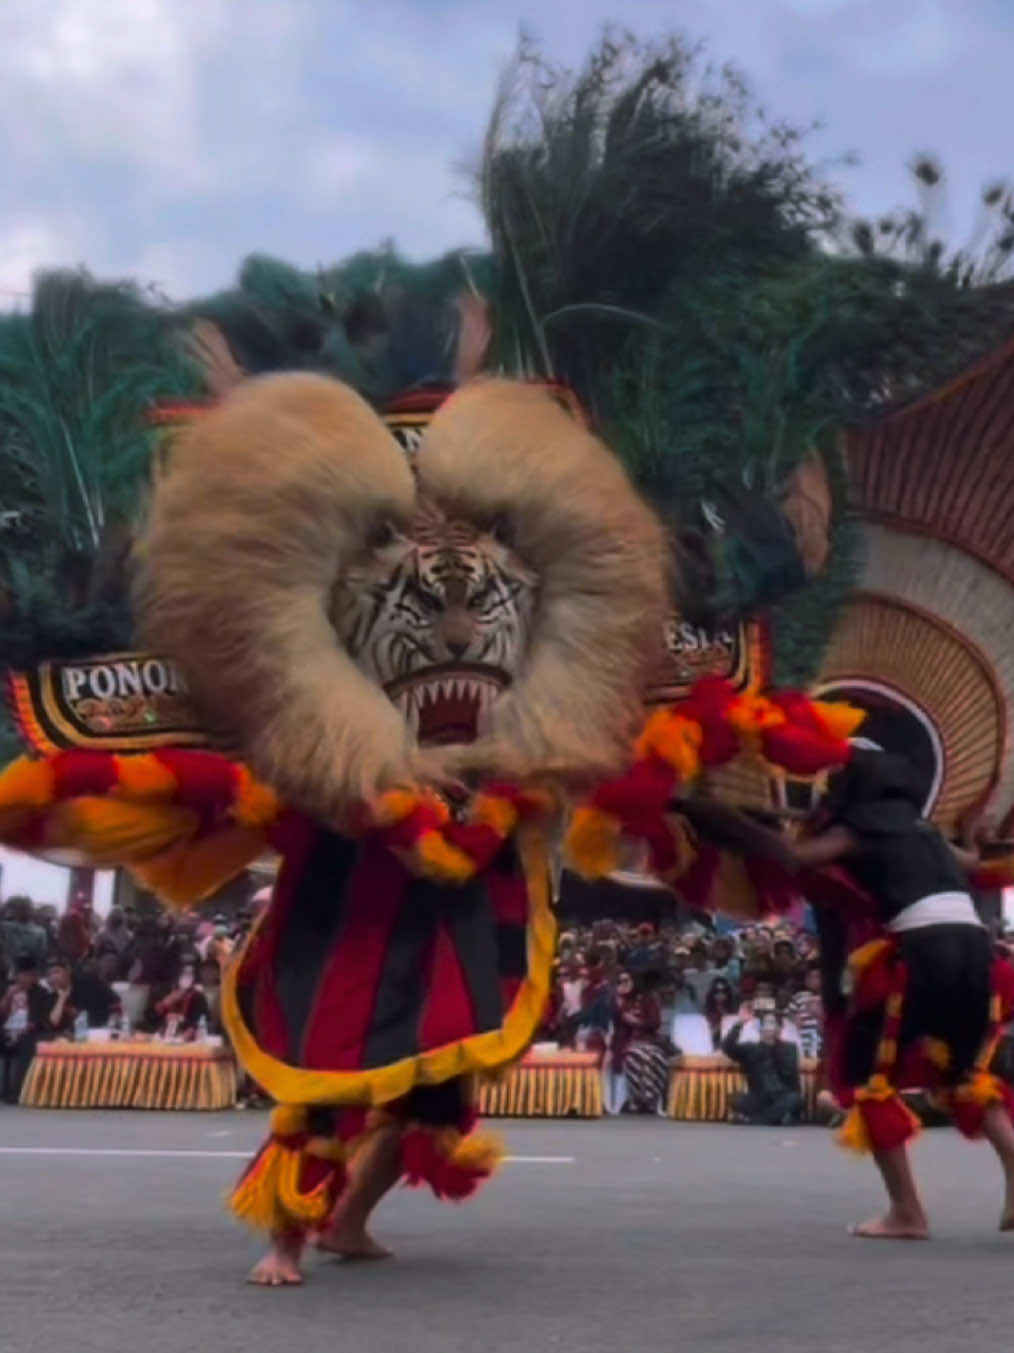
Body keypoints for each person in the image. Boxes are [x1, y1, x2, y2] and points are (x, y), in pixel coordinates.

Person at [684, 749, 1014, 1239]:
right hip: (976, 952)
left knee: (866, 1075)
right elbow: (974, 863)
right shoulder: (925, 834)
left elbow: (792, 856)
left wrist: (712, 816)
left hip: (921, 952)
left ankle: (907, 1212)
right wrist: (971, 835)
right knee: (963, 1072)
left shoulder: (858, 831)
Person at [723, 1010, 803, 1125]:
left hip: (781, 1095)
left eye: (771, 1023)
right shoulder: (750, 1048)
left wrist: (772, 1045)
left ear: (778, 1029)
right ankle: (777, 1118)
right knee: (735, 1100)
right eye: (764, 1023)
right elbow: (727, 1047)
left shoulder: (789, 1049)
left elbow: (789, 1072)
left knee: (795, 1099)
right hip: (759, 1097)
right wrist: (739, 1024)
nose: (767, 1027)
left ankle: (754, 1120)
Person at [608, 971, 670, 1115]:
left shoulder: (647, 999)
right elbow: (614, 1021)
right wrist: (619, 1004)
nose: (623, 984)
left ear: (634, 981)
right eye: (620, 982)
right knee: (635, 1055)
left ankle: (649, 1098)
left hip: (648, 1041)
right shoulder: (616, 1000)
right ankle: (638, 1099)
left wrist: (638, 1022)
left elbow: (655, 1022)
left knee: (652, 1056)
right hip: (625, 1043)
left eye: (626, 981)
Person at [1, 956, 53, 1102]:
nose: (25, 978)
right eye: (22, 975)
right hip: (6, 1030)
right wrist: (8, 996)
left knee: (27, 1043)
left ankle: (16, 1092)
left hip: (28, 1033)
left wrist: (32, 1025)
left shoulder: (42, 993)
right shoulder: (6, 988)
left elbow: (44, 1019)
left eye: (29, 975)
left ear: (35, 976)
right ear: (16, 975)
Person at [703, 976, 737, 1052]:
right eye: (716, 991)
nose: (720, 994)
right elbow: (705, 1035)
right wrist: (721, 1024)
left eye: (723, 991)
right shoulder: (707, 1011)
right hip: (712, 1047)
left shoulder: (733, 1009)